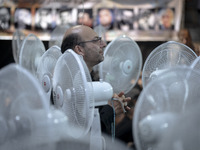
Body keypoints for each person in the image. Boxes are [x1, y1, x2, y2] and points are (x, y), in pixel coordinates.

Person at [60, 25, 131, 136]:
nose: (103, 45)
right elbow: (82, 133)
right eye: (96, 41)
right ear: (79, 49)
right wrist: (110, 110)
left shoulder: (87, 78)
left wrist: (112, 104)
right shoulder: (70, 85)